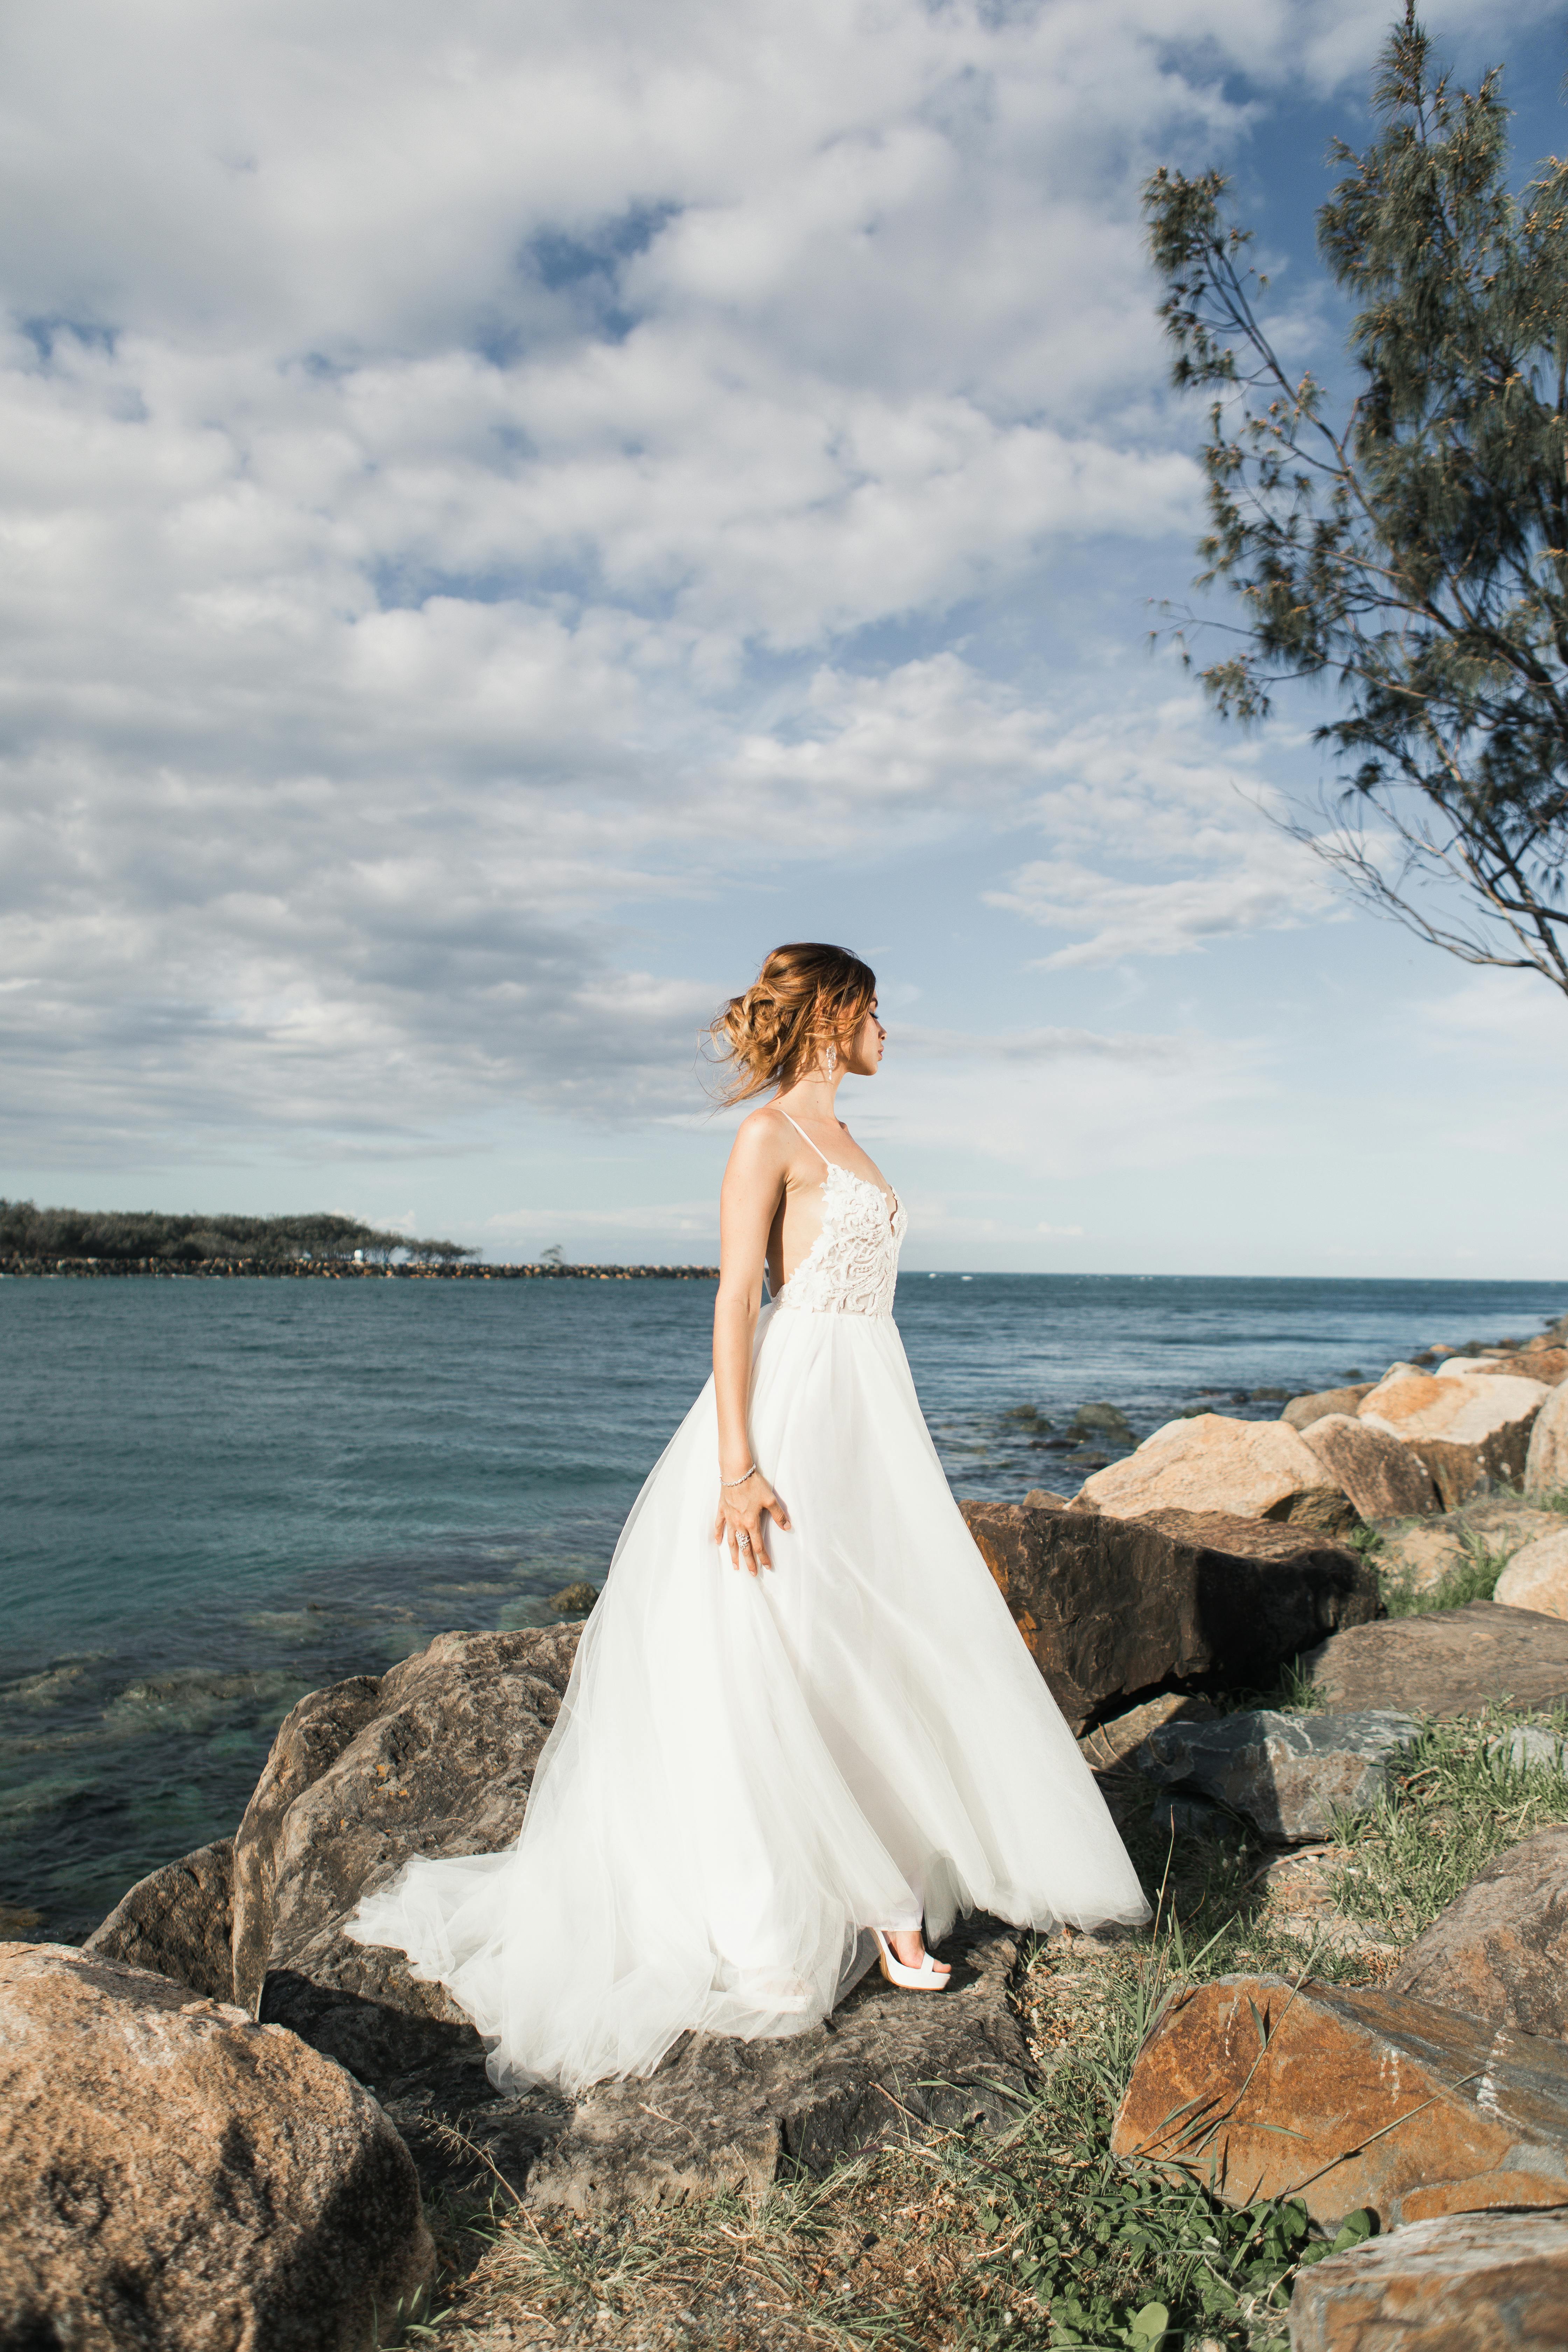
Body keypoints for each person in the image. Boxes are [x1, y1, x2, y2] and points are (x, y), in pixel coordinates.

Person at [347, 942, 1149, 2092]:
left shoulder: (852, 1138)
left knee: (867, 1639)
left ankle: (890, 1888)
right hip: (793, 1411)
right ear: (831, 1013)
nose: (890, 1031)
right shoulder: (768, 1136)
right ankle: (825, 1911)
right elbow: (736, 1295)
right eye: (875, 1010)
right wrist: (739, 1467)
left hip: (869, 1412)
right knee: (777, 1645)